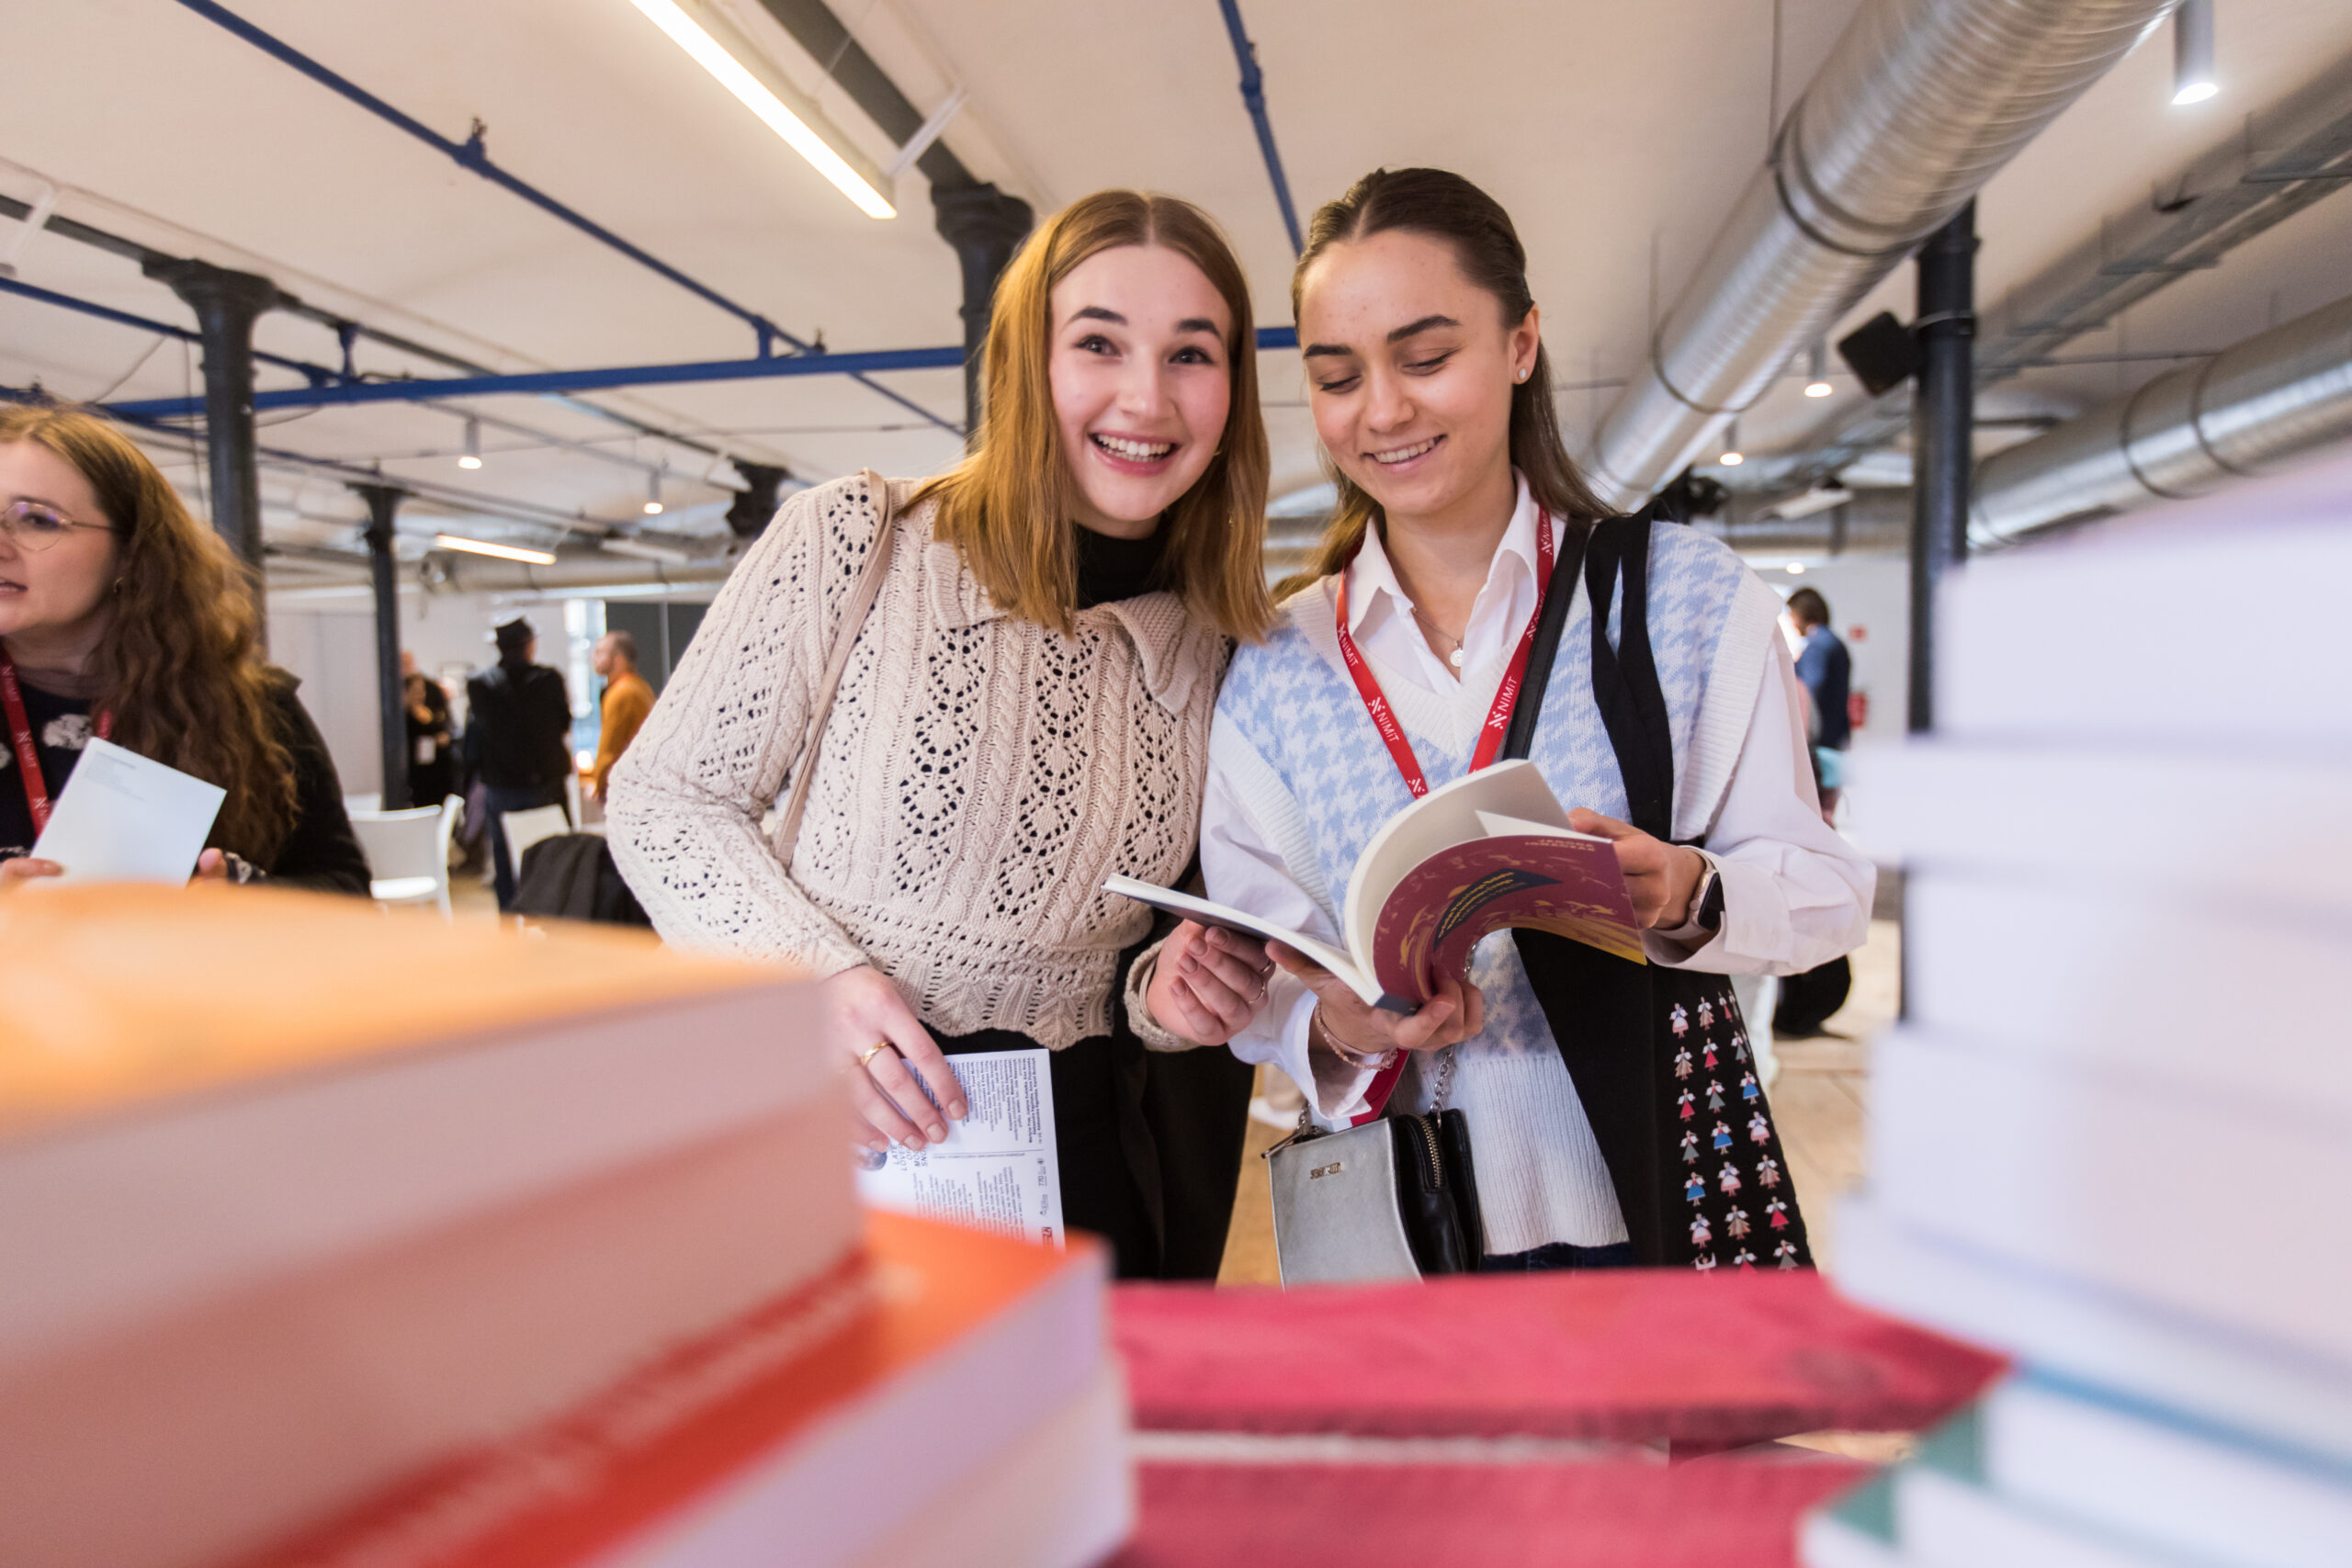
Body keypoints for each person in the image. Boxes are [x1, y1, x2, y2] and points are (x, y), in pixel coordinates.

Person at [1138, 168, 1873, 1272]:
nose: (1382, 410)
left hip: (1652, 1208)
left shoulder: (1679, 600)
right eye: (1337, 376)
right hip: (1397, 1234)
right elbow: (1263, 977)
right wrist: (1337, 1024)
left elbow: (1827, 893)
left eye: (1426, 358)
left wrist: (1686, 891)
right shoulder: (1277, 667)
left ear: (1521, 343)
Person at [609, 190, 1274, 1278]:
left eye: (1190, 355)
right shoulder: (860, 540)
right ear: (1025, 361)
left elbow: (1146, 952)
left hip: (1075, 1175)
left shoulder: (1222, 646)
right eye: (1098, 343)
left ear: (1232, 390)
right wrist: (816, 980)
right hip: (830, 1140)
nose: (1145, 397)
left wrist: (1171, 996)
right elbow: (664, 798)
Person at [0, 402, 369, 893]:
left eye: (37, 519)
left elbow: (346, 892)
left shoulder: (245, 708)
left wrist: (242, 903)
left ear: (130, 551)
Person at [465, 615, 573, 909]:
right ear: (528, 645)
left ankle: (511, 918)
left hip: (502, 786)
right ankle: (555, 916)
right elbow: (563, 723)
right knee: (554, 855)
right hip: (545, 784)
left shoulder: (480, 685)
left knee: (506, 860)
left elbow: (478, 738)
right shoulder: (549, 680)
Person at [1785, 586, 1851, 818]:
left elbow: (1808, 693)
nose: (1792, 622)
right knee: (1826, 809)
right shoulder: (1834, 642)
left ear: (1802, 613)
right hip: (1835, 735)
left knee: (1816, 812)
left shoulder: (1817, 646)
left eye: (1792, 615)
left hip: (1819, 741)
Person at [587, 629, 654, 804]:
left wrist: (599, 785)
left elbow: (608, 750)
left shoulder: (621, 693)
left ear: (618, 657)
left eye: (600, 652)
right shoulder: (641, 686)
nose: (594, 658)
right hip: (645, 784)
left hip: (629, 790)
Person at [402, 651, 458, 807]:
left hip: (437, 764)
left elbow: (446, 723)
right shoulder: (399, 708)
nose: (419, 694)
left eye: (421, 691)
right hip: (413, 767)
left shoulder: (433, 691)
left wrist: (444, 735)